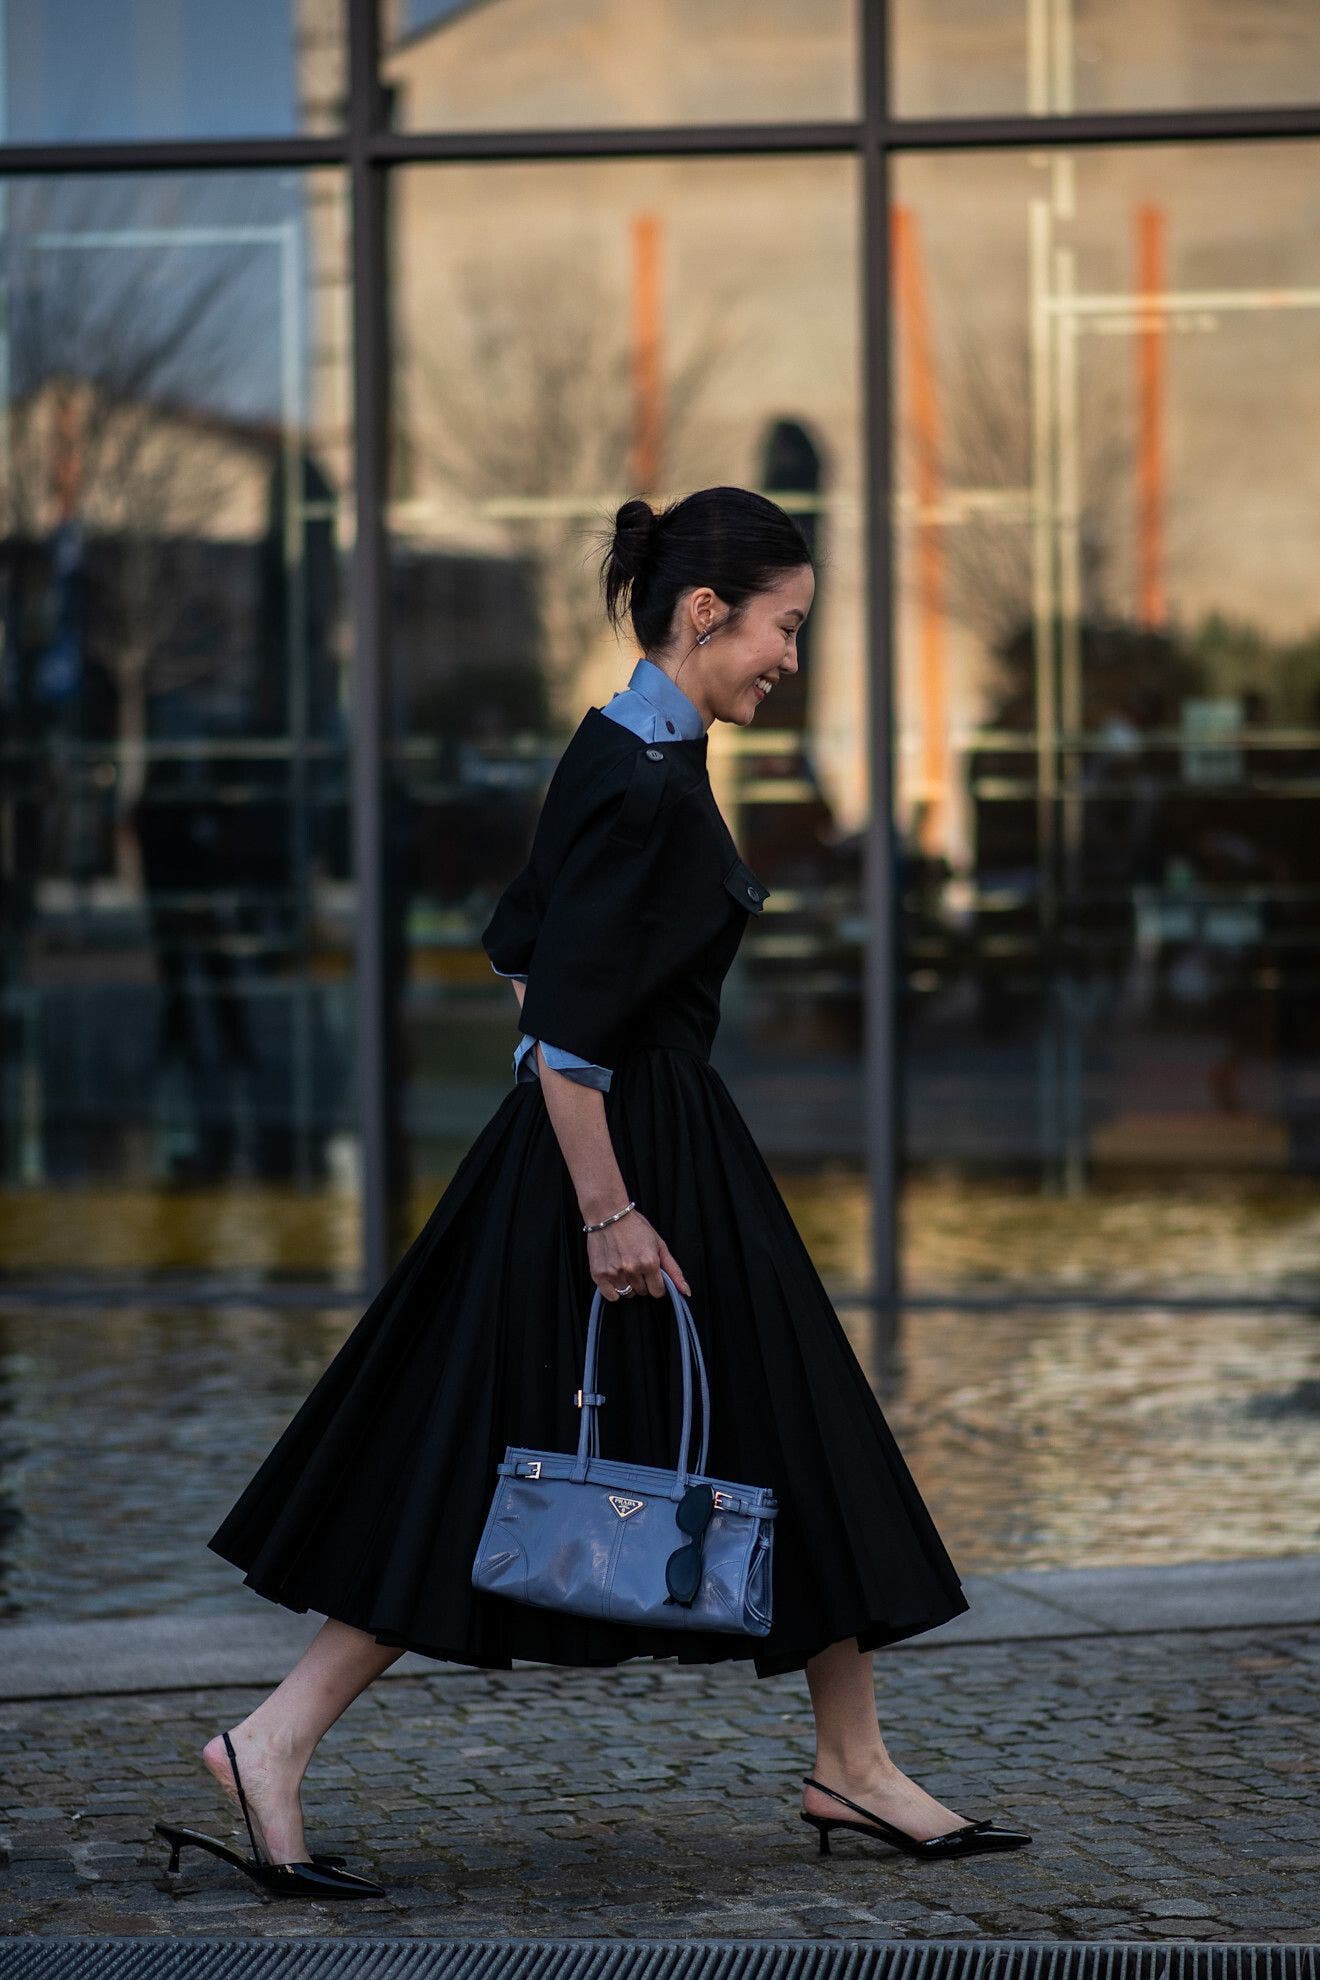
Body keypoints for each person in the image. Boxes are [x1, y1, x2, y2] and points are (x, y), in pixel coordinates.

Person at [164, 485, 1029, 1898]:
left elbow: (520, 947)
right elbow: (562, 1029)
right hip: (625, 1167)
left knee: (759, 1433)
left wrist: (610, 1113)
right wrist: (612, 1210)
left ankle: (852, 1763)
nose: (789, 660)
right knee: (499, 1454)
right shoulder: (642, 780)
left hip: (634, 1151)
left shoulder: (620, 747)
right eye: (783, 629)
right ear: (706, 613)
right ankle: (273, 1738)